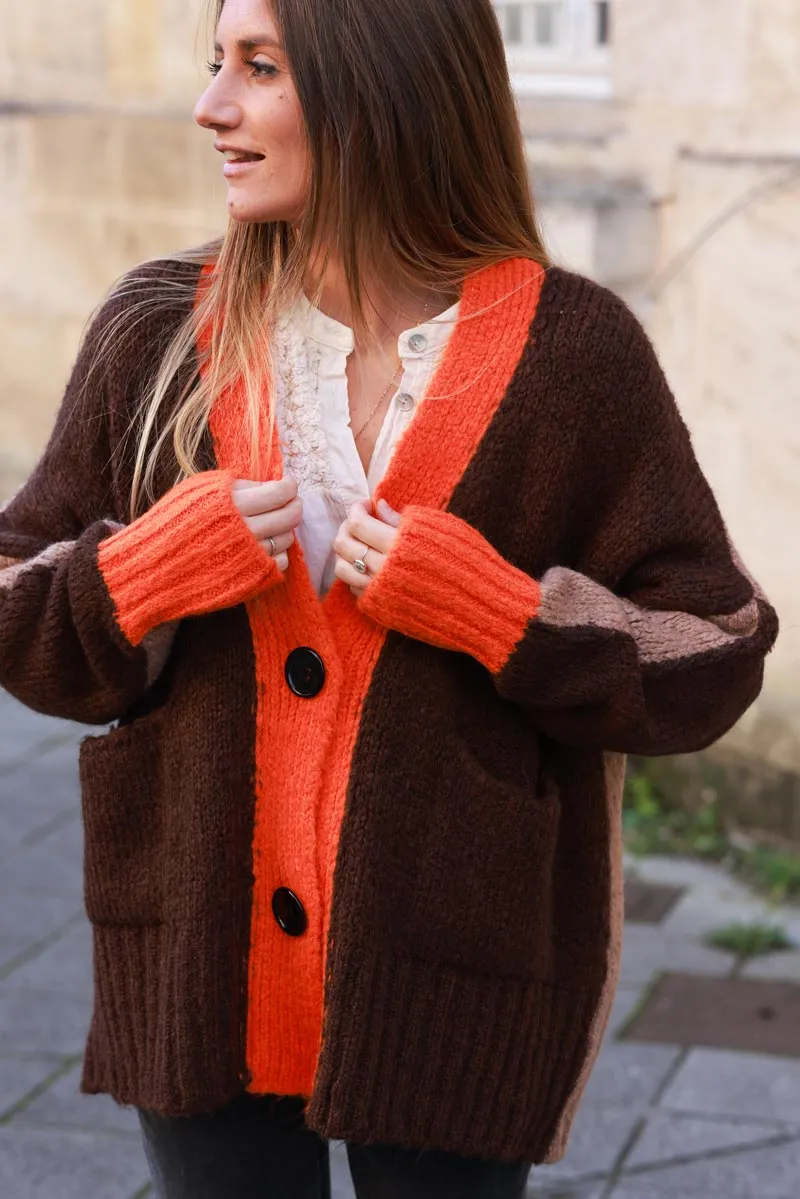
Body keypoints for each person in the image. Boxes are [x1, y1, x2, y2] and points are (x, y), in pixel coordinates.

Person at [0, 0, 779, 1196]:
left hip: (452, 966)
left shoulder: (572, 352)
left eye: (259, 69)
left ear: (384, 86)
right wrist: (139, 575)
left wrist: (504, 613)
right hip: (197, 958)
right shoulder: (159, 329)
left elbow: (712, 647)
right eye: (217, 64)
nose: (211, 106)